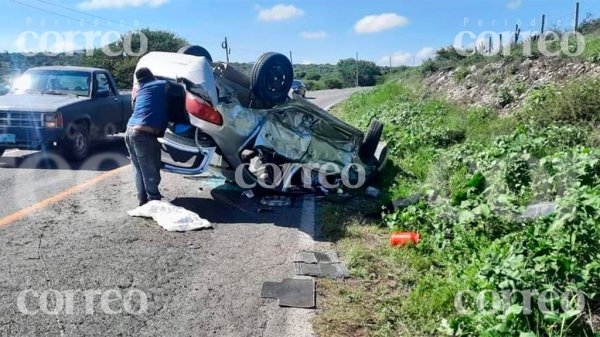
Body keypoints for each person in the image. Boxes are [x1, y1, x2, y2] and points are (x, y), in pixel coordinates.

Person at [125, 67, 169, 206]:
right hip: (143, 134)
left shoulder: (140, 89)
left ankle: (142, 199)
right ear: (152, 76)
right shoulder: (160, 85)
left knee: (138, 168)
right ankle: (154, 200)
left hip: (129, 131)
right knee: (150, 168)